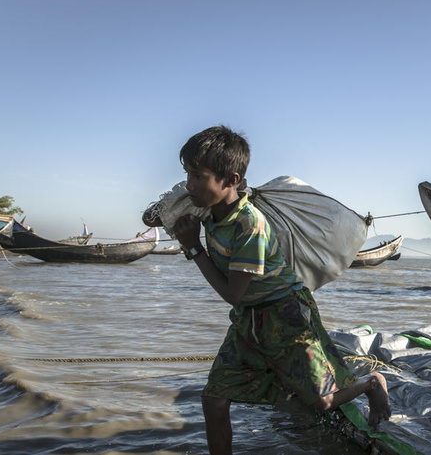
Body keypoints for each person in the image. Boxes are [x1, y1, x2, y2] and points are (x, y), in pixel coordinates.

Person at [145, 125, 391, 455]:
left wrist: (193, 248)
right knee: (214, 400)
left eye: (198, 175)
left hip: (286, 314)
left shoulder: (250, 226)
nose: (190, 184)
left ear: (230, 180)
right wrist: (174, 204)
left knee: (321, 401)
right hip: (249, 319)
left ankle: (371, 384)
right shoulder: (205, 205)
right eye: (187, 174)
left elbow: (233, 294)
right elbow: (151, 217)